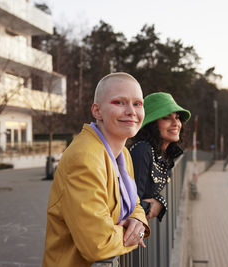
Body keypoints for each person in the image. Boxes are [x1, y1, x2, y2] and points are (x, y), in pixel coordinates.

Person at [42, 72, 150, 267]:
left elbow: (135, 204)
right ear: (97, 111)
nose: (131, 111)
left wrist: (138, 222)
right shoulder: (84, 158)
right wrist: (134, 234)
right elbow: (98, 244)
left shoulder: (123, 154)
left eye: (137, 104)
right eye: (119, 102)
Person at [129, 92, 191, 221]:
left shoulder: (165, 156)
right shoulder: (143, 150)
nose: (176, 123)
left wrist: (160, 202)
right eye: (167, 118)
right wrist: (158, 205)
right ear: (152, 123)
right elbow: (131, 205)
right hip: (125, 234)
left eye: (178, 117)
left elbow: (151, 195)